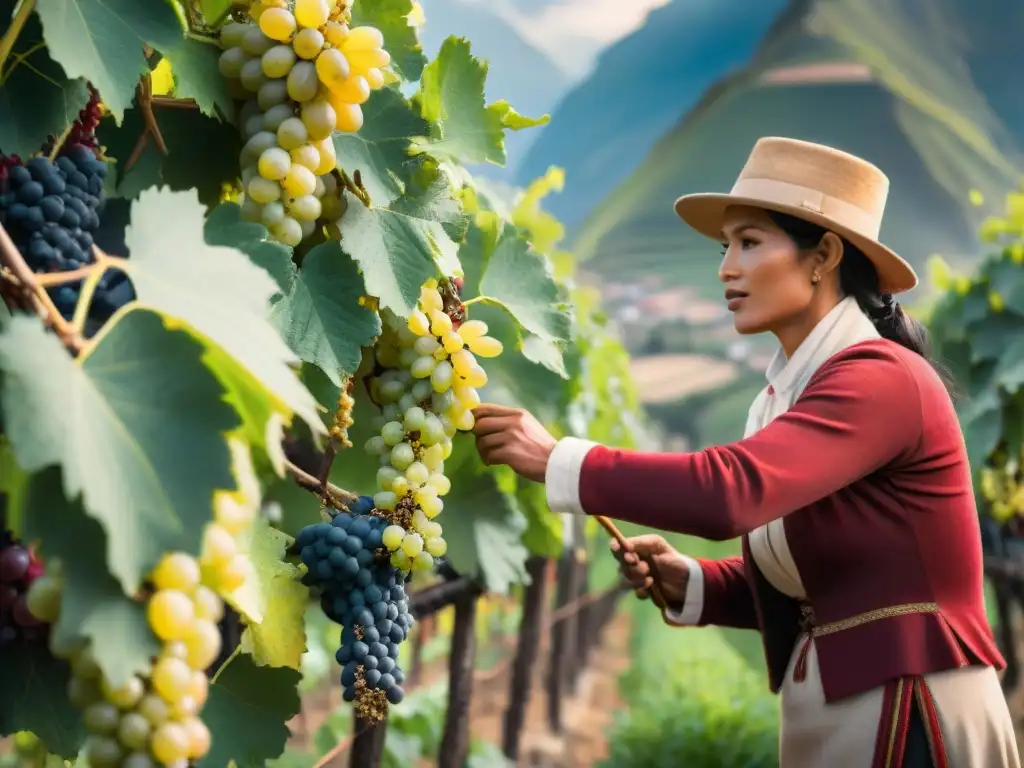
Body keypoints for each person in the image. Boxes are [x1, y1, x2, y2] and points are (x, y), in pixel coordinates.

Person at [470, 137, 1020, 767]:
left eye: (750, 242)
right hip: (853, 708)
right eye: (724, 246)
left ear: (824, 256)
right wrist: (698, 583)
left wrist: (560, 460)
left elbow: (731, 491)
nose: (726, 267)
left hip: (911, 718)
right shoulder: (799, 386)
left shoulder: (880, 378)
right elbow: (828, 579)